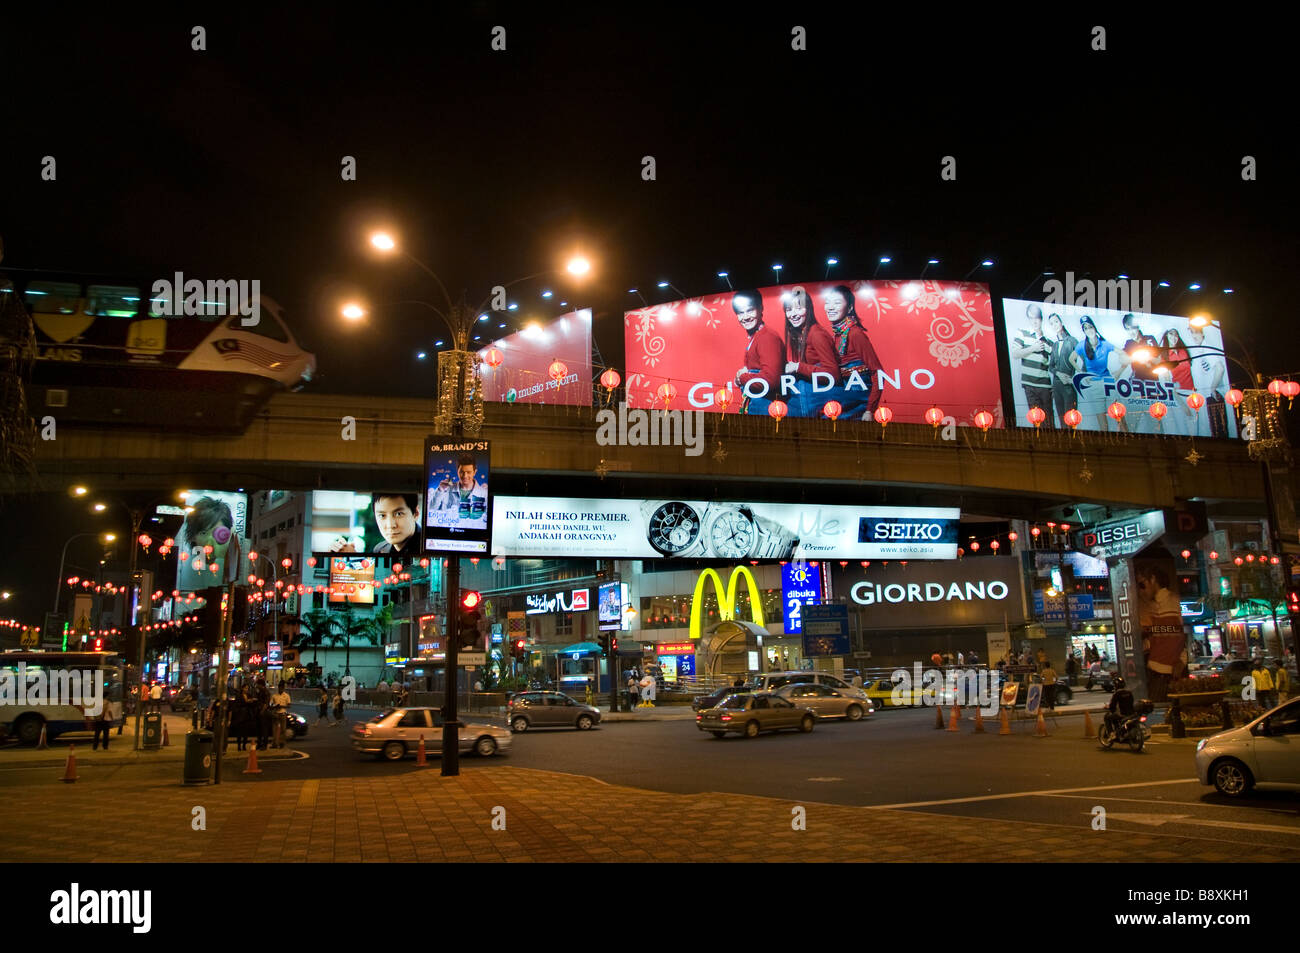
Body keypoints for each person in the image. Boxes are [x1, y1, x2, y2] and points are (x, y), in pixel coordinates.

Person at [823, 284, 884, 418]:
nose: (830, 307)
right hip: (845, 391)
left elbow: (877, 372)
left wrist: (870, 409)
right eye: (827, 303)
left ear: (850, 308)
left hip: (858, 395)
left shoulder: (855, 334)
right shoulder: (838, 334)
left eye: (837, 303)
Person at [780, 286, 838, 417]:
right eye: (789, 310)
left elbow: (833, 374)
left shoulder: (816, 334)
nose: (793, 314)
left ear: (809, 309)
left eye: (799, 308)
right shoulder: (800, 334)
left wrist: (798, 367)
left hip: (819, 397)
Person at [730, 290, 786, 415]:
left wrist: (742, 377)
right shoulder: (757, 336)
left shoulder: (767, 337)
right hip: (759, 403)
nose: (745, 317)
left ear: (761, 309)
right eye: (740, 313)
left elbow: (771, 379)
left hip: (767, 405)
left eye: (750, 310)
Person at [1075, 315, 1130, 431]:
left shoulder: (1104, 344)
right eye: (1085, 328)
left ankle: (1127, 438)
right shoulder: (1081, 345)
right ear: (1083, 331)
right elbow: (1071, 359)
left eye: (1090, 327)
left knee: (1118, 414)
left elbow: (1123, 354)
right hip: (1094, 384)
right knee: (1101, 418)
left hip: (1107, 381)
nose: (1088, 330)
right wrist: (1082, 373)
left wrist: (1120, 371)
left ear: (1094, 327)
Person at [1012, 304, 1054, 425]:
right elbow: (1015, 354)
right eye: (1031, 318)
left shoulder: (1049, 341)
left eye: (1036, 318)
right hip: (1029, 384)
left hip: (1045, 385)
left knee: (1049, 420)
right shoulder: (1022, 333)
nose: (1034, 321)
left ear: (1041, 318)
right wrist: (1033, 348)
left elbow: (1054, 364)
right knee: (1036, 420)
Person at [1186, 324, 1228, 437]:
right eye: (1191, 333)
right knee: (1209, 430)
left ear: (1202, 333)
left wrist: (1212, 388)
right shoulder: (1198, 350)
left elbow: (1220, 368)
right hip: (1203, 398)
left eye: (1196, 332)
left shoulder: (1207, 348)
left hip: (1211, 398)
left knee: (1216, 430)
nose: (1194, 336)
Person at [429, 453, 488, 527]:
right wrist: (440, 490)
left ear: (474, 472)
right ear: (457, 471)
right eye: (462, 472)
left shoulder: (484, 494)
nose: (465, 476)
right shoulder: (446, 489)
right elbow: (431, 510)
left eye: (468, 472)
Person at [1046, 313, 1077, 427]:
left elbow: (1083, 359)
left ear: (1061, 322)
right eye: (1052, 323)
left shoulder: (1072, 340)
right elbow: (1050, 366)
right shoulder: (1054, 345)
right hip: (1057, 385)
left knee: (1071, 421)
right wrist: (1058, 373)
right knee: (1062, 422)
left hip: (1068, 386)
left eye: (1056, 321)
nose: (1054, 325)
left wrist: (1073, 379)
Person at [271, 682, 291, 748]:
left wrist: (282, 706)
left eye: (282, 688)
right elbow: (271, 704)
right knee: (274, 729)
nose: (281, 689)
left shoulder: (286, 696)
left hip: (283, 713)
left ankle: (281, 743)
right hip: (276, 713)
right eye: (280, 688)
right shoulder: (274, 696)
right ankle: (274, 743)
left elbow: (289, 705)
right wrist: (275, 706)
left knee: (283, 729)